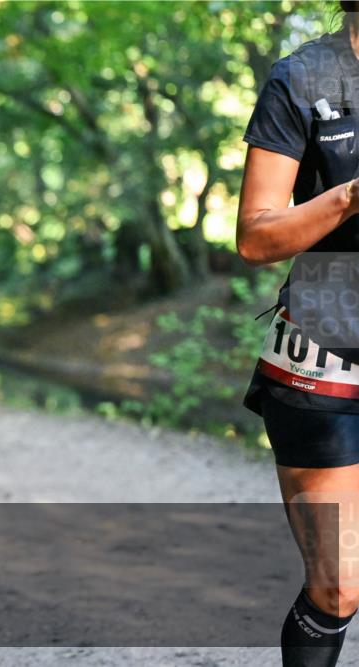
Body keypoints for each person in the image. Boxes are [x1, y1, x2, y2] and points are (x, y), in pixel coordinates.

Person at [237, 3, 359, 666]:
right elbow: (256, 237)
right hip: (325, 362)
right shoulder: (304, 77)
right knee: (338, 584)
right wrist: (349, 197)